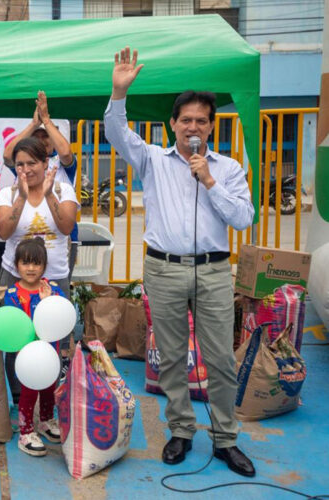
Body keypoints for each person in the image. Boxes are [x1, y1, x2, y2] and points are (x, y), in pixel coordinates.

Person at [104, 46, 256, 477]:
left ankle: (225, 439)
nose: (193, 126)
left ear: (211, 126)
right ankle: (182, 430)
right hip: (164, 267)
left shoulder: (226, 168)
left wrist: (208, 180)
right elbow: (116, 133)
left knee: (220, 360)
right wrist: (119, 92)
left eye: (201, 121)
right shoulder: (151, 158)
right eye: (185, 119)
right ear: (173, 124)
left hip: (212, 269)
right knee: (170, 357)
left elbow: (243, 218)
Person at [0, 137, 78, 409]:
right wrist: (20, 195)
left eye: (32, 163)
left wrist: (49, 193)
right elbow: (4, 231)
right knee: (16, 338)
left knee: (54, 340)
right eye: (20, 164)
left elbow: (66, 227)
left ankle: (48, 405)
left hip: (54, 276)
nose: (26, 169)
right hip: (14, 277)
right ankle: (20, 401)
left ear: (45, 163)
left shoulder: (63, 190)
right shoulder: (7, 194)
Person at [1, 90, 79, 271]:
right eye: (37, 137)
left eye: (46, 136)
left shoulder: (61, 164)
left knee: (57, 297)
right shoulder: (25, 167)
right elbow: (7, 155)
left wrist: (46, 121)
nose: (42, 141)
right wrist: (33, 124)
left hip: (59, 250)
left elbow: (66, 152)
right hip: (23, 256)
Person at [3, 237, 64, 456]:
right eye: (25, 263)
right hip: (28, 355)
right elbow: (14, 325)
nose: (31, 268)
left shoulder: (54, 290)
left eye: (36, 263)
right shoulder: (11, 295)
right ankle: (26, 431)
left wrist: (47, 300)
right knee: (29, 391)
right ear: (16, 265)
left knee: (49, 387)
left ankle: (46, 421)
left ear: (44, 266)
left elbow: (59, 316)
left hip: (50, 352)